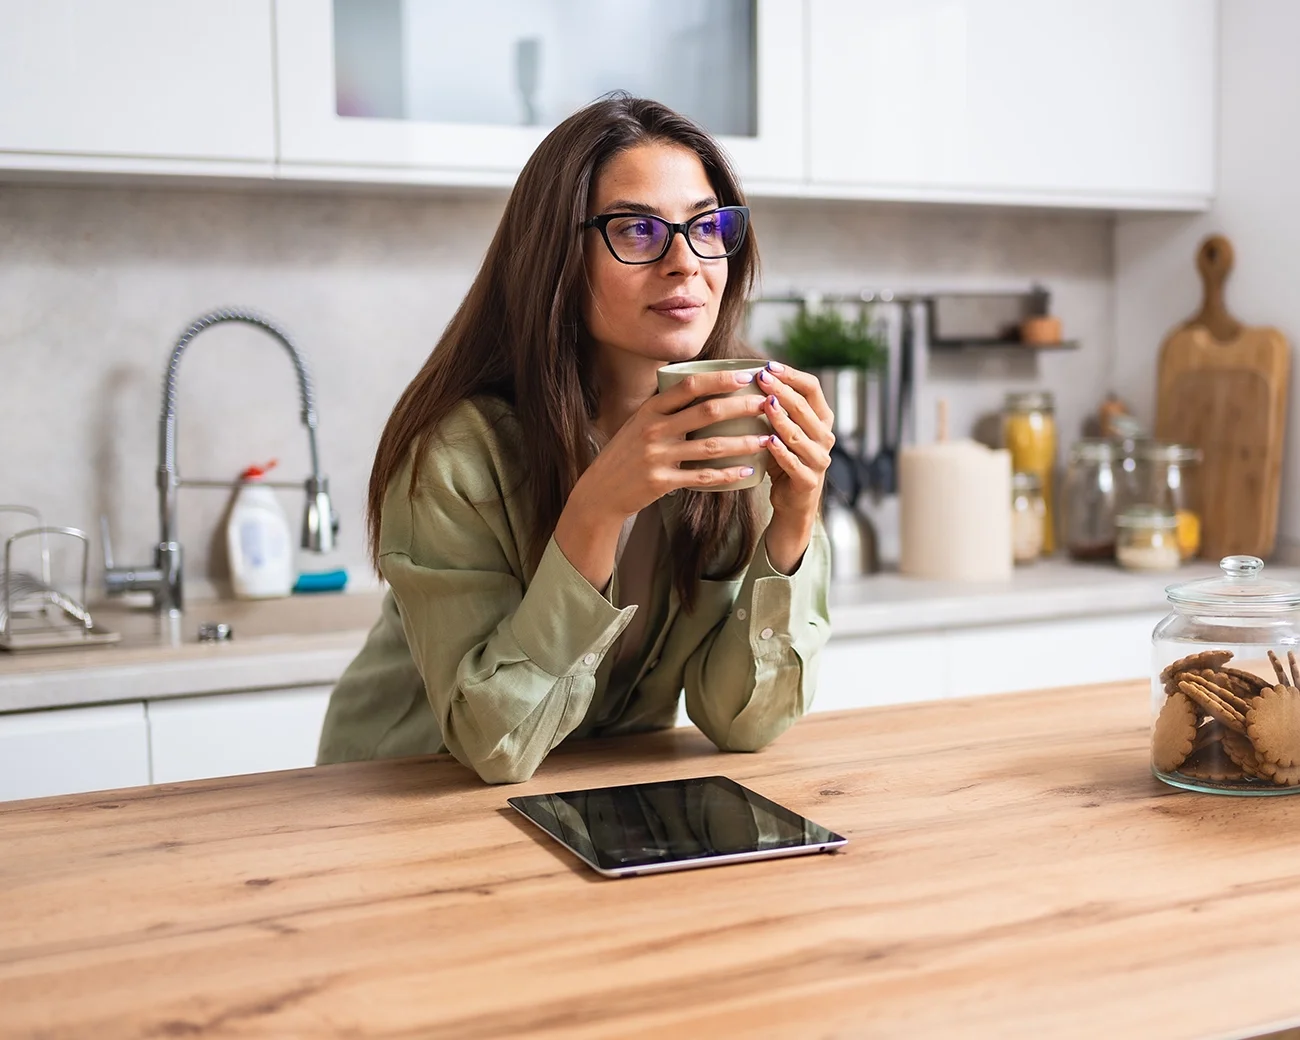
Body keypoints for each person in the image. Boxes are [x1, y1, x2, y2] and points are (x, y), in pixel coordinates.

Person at [317, 95, 834, 784]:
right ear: (559, 253)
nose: (687, 263)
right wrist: (596, 513)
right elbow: (493, 745)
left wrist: (794, 525)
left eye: (707, 226)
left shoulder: (736, 425)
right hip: (406, 798)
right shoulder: (458, 455)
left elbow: (741, 722)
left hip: (595, 800)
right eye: (638, 230)